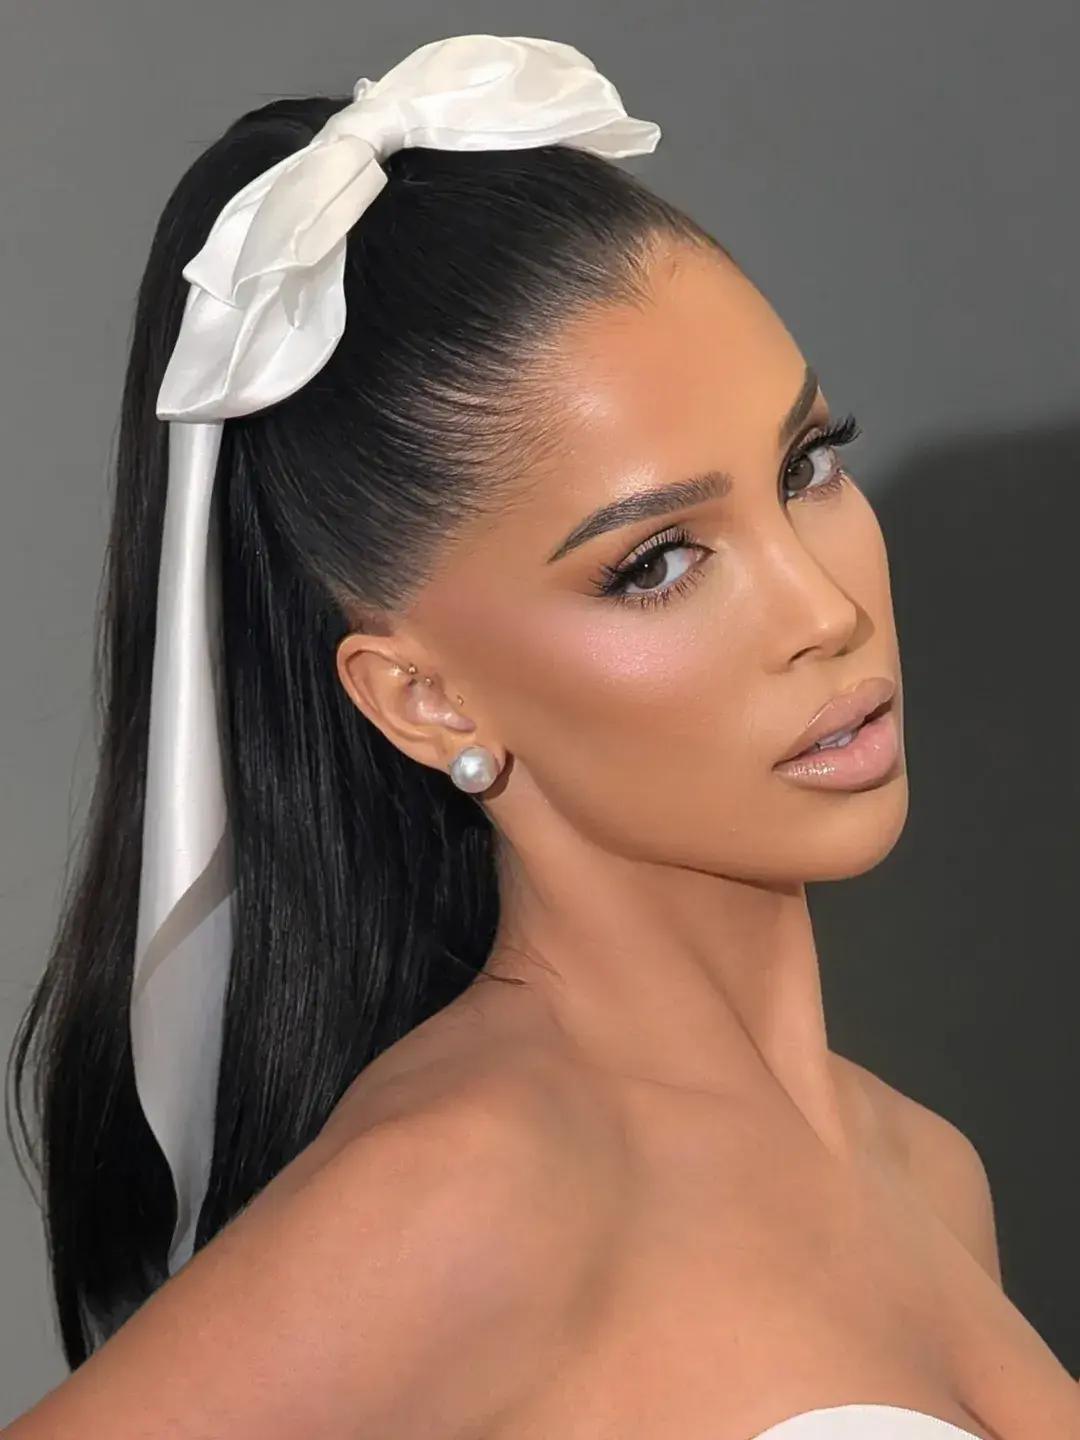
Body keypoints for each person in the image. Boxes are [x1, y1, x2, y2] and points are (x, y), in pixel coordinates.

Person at [6, 32, 1078, 1440]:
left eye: (807, 465)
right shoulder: (463, 1190)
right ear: (425, 699)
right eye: (655, 563)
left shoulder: (927, 1172)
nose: (827, 612)